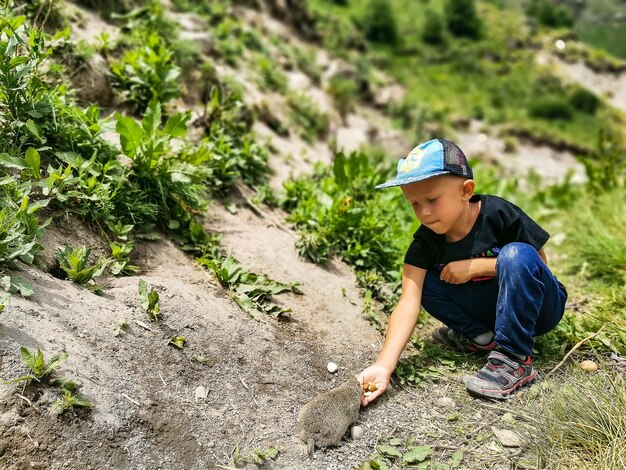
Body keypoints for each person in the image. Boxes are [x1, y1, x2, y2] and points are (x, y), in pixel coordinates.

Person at [356, 138, 567, 403]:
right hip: (488, 310)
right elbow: (408, 302)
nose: (424, 213)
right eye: (415, 204)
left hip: (540, 309)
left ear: (466, 190)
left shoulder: (498, 214)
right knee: (423, 284)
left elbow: (536, 264)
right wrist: (384, 365)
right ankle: (482, 337)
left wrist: (479, 266)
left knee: (516, 254)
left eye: (432, 199)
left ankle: (513, 358)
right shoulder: (426, 242)